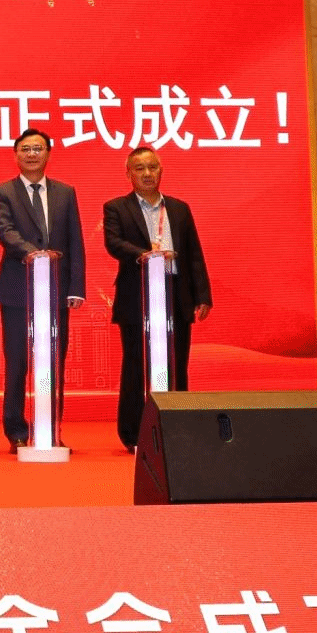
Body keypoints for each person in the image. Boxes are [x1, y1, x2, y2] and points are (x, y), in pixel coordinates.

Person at [104, 146, 213, 452]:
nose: (147, 173)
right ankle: (132, 434)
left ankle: (177, 430)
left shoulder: (179, 208)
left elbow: (193, 253)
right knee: (136, 366)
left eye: (152, 167)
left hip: (176, 295)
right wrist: (144, 254)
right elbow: (113, 243)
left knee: (177, 364)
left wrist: (202, 294)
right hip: (136, 297)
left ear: (161, 171)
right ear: (128, 173)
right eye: (139, 168)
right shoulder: (116, 208)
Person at [0, 128, 86, 449]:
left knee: (54, 363)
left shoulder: (65, 192)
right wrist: (34, 253)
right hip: (17, 291)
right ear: (16, 154)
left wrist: (76, 287)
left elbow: (75, 240)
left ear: (48, 153)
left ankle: (50, 429)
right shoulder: (3, 191)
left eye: (38, 148)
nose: (32, 154)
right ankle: (16, 431)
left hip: (56, 291)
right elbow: (4, 230)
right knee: (17, 363)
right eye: (26, 149)